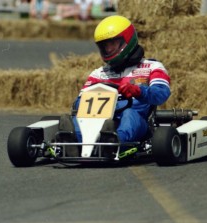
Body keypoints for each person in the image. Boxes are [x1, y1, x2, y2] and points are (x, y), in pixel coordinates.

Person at [72, 15, 171, 154]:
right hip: (100, 120)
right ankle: (75, 141)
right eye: (105, 45)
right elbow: (79, 103)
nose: (108, 48)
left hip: (138, 120)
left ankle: (113, 143)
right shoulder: (99, 74)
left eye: (113, 43)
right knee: (79, 117)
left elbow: (161, 94)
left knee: (129, 114)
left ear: (127, 41)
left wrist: (139, 91)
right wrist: (83, 102)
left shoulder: (152, 66)